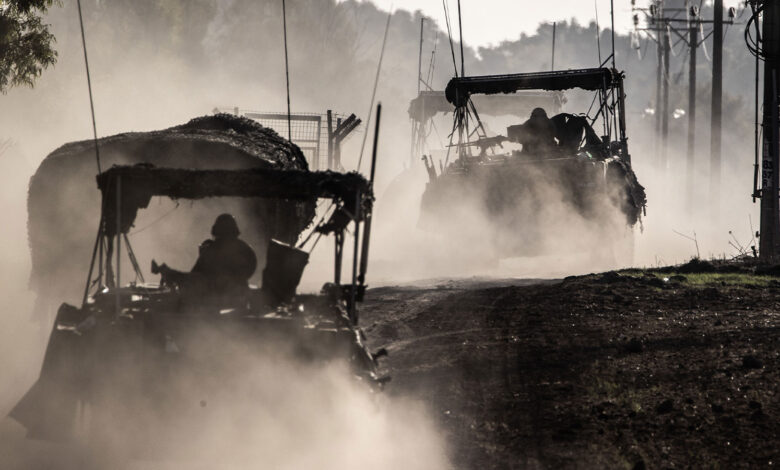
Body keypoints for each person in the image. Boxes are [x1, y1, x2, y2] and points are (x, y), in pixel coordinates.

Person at [152, 213, 257, 298]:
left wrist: (171, 275)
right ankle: (168, 272)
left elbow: (194, 277)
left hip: (218, 294)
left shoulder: (214, 249)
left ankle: (167, 272)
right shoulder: (245, 249)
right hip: (236, 294)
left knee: (193, 281)